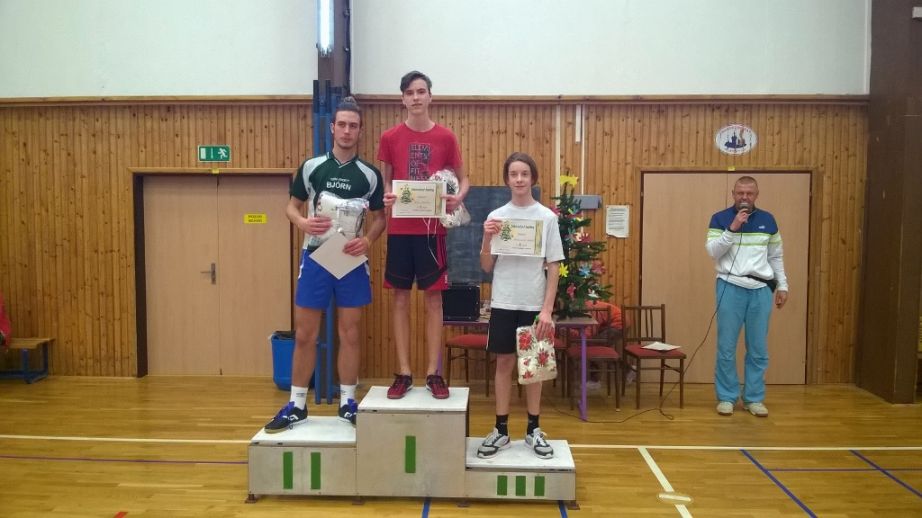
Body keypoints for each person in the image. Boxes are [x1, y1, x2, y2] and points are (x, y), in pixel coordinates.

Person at [264, 97, 385, 433]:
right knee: (305, 333)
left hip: (350, 258)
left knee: (350, 333)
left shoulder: (370, 175)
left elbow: (380, 219)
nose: (347, 131)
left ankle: (348, 403)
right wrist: (303, 223)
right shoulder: (312, 167)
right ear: (332, 128)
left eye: (353, 126)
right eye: (341, 124)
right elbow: (291, 207)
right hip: (317, 256)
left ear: (360, 131)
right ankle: (297, 405)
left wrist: (368, 241)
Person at [379, 71, 469, 399]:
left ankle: (434, 373)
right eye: (409, 92)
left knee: (433, 300)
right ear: (402, 99)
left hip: (433, 232)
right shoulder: (390, 137)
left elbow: (464, 180)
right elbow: (386, 182)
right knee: (400, 298)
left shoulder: (446, 137)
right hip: (401, 230)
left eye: (421, 91)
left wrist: (458, 197)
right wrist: (387, 197)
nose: (415, 97)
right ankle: (404, 372)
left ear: (430, 96)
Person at [476, 152, 564, 459]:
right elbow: (486, 266)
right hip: (503, 301)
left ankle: (533, 430)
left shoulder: (547, 218)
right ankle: (501, 430)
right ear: (507, 179)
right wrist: (486, 237)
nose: (519, 179)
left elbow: (554, 265)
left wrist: (547, 310)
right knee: (503, 364)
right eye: (513, 174)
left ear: (533, 178)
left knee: (534, 367)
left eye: (524, 174)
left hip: (533, 303)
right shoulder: (497, 217)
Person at [705, 176, 788, 418]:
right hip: (730, 286)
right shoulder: (720, 218)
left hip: (760, 289)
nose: (744, 197)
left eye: (749, 193)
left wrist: (783, 285)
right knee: (726, 347)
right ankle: (727, 397)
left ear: (756, 195)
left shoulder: (768, 220)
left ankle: (754, 398)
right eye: (740, 193)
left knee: (758, 348)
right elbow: (713, 252)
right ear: (733, 194)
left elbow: (776, 257)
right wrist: (733, 228)